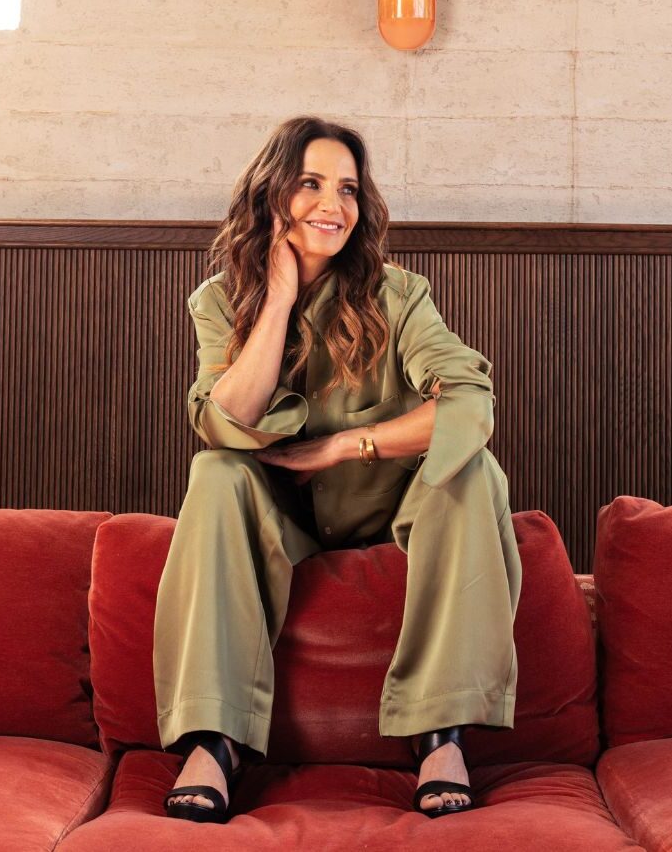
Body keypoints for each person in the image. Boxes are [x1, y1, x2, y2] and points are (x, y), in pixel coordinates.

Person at [154, 115, 522, 825]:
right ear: (272, 195)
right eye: (311, 184)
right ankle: (213, 740)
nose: (334, 204)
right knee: (214, 474)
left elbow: (467, 404)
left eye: (348, 188)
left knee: (475, 471)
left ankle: (439, 733)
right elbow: (224, 422)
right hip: (280, 512)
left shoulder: (398, 293)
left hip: (390, 503)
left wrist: (339, 447)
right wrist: (280, 298)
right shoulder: (216, 302)